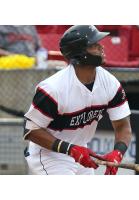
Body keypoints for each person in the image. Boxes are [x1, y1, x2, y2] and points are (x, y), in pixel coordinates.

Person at [23, 25, 133, 175]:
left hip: (81, 151)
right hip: (49, 155)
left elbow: (123, 126)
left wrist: (118, 153)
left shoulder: (110, 83)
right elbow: (30, 130)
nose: (101, 47)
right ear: (80, 53)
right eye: (94, 45)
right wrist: (70, 149)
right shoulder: (53, 88)